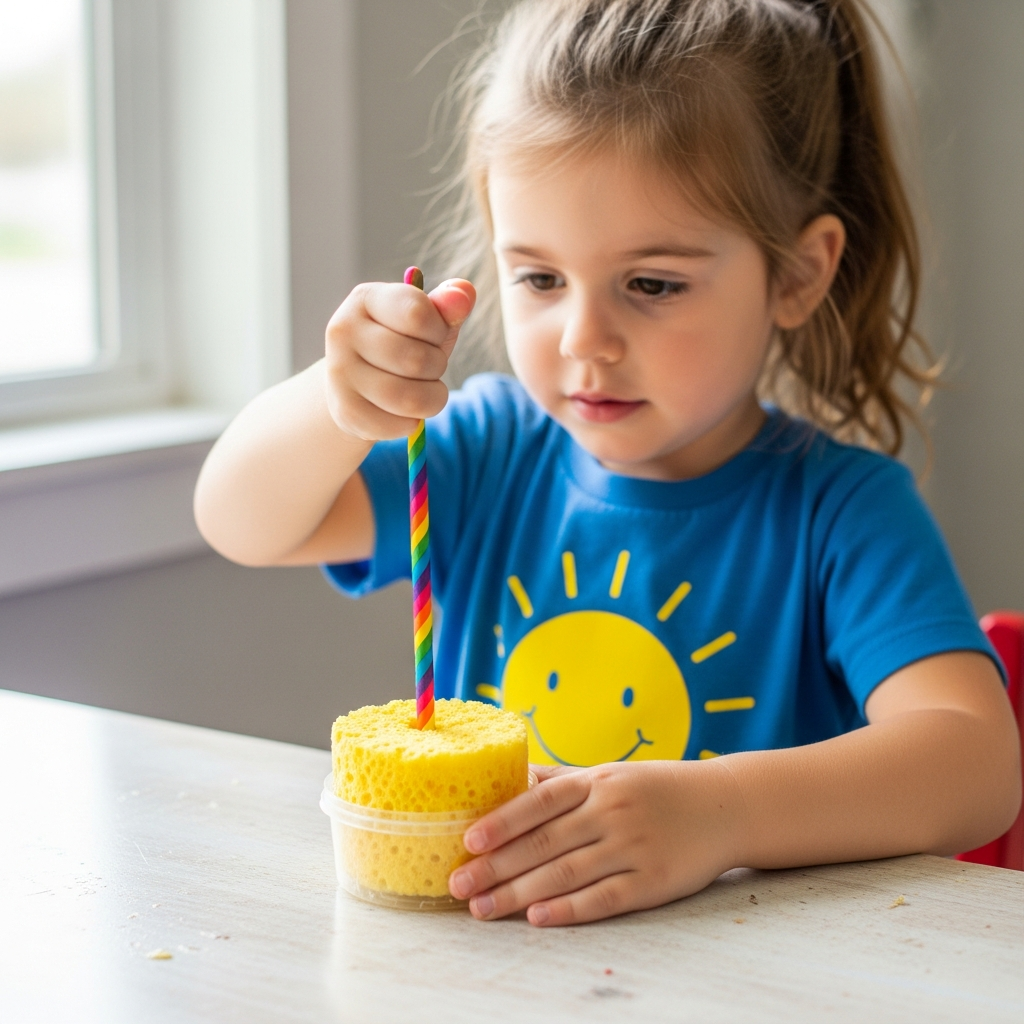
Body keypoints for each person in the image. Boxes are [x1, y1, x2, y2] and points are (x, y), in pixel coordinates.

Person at [194, 0, 1021, 927]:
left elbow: (977, 765)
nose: (583, 339)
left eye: (652, 283)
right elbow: (243, 523)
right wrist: (335, 401)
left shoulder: (843, 511)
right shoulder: (484, 449)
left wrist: (719, 814)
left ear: (797, 275)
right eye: (540, 278)